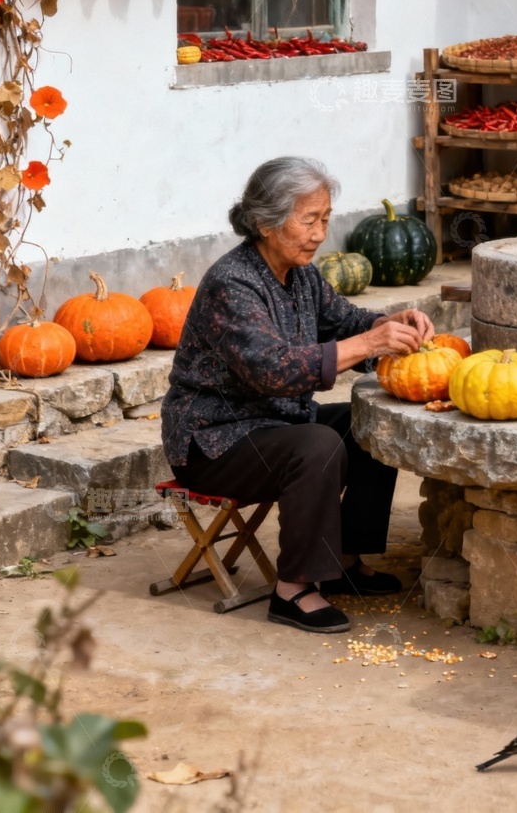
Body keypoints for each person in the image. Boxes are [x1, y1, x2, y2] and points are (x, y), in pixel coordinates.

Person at [161, 157, 433, 635]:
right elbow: (273, 371)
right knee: (316, 445)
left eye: (325, 219)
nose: (320, 233)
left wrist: (387, 325)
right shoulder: (233, 283)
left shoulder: (301, 273)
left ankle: (346, 559)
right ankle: (294, 589)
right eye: (308, 220)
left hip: (276, 424)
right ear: (264, 223)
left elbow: (345, 320)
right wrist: (369, 345)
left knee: (369, 425)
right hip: (215, 441)